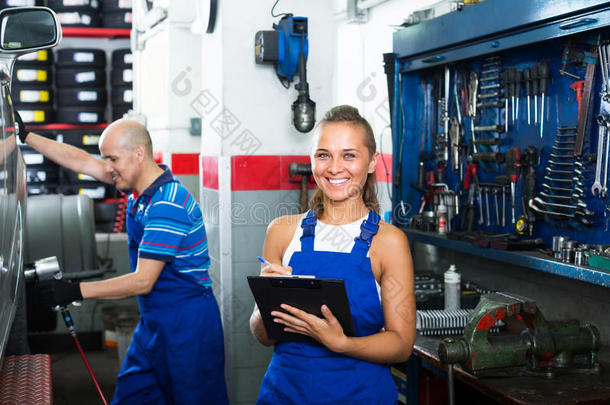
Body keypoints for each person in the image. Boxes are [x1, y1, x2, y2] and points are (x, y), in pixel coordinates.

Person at [16, 115, 229, 405]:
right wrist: (27, 135)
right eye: (107, 159)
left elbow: (143, 280)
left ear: (138, 153)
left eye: (113, 159)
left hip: (188, 329)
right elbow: (82, 162)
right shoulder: (137, 190)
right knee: (130, 396)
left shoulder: (167, 203)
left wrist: (76, 290)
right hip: (154, 325)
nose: (108, 168)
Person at [249, 105, 416, 404]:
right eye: (323, 154)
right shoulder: (282, 231)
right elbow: (263, 335)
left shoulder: (389, 242)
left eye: (349, 155)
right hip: (284, 394)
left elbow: (402, 344)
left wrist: (341, 343)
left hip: (360, 396)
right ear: (312, 159)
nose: (334, 167)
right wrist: (266, 300)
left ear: (372, 162)